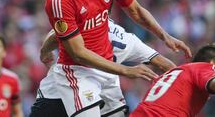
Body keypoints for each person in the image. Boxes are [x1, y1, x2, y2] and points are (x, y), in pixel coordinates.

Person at [44, 0, 192, 117]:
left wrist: (165, 36)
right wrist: (126, 70)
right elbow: (78, 53)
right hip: (79, 72)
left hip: (106, 66)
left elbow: (136, 11)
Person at [30, 19, 176, 117]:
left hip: (58, 97)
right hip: (76, 97)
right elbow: (165, 64)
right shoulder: (127, 39)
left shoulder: (81, 24)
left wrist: (44, 52)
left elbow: (56, 36)